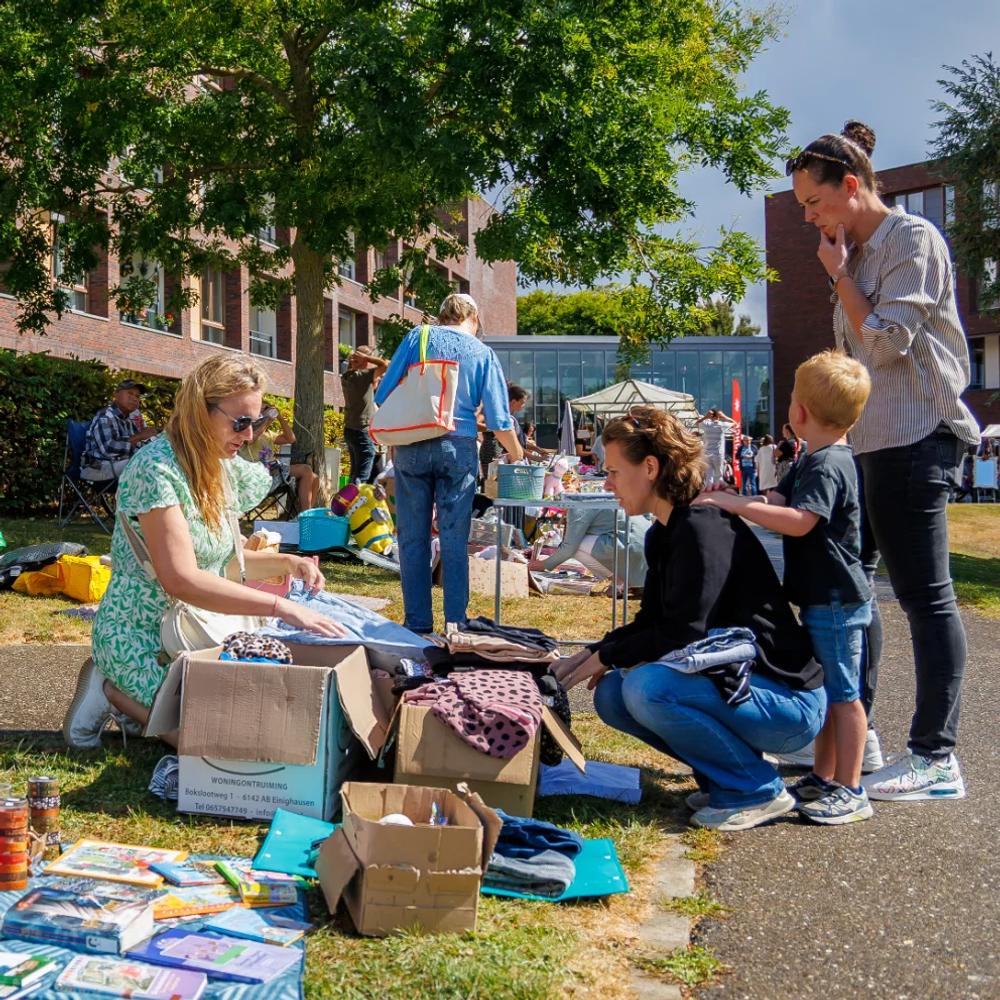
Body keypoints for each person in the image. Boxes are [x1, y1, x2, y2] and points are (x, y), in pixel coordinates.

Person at [787, 119, 979, 800]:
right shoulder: (856, 252)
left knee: (925, 597)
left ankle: (935, 757)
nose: (809, 218)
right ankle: (855, 738)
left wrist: (839, 276)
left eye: (814, 202)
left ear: (850, 185)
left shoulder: (911, 240)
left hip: (919, 435)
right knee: (851, 594)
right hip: (869, 443)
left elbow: (886, 343)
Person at [552, 407, 825, 832]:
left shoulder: (701, 526)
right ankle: (726, 778)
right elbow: (652, 620)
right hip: (745, 690)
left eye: (613, 472)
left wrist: (606, 655)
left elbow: (683, 630)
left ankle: (756, 789)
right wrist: (587, 656)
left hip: (788, 703)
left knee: (647, 688)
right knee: (612, 695)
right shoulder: (666, 531)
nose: (607, 484)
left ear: (650, 467)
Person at [62, 355, 347, 750]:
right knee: (214, 741)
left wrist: (288, 562)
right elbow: (180, 578)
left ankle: (139, 703)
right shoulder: (155, 469)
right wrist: (280, 607)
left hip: (195, 626)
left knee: (251, 728)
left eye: (255, 420)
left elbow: (220, 562)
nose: (249, 436)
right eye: (241, 422)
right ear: (200, 411)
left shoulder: (218, 466)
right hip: (141, 636)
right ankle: (110, 688)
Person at [696, 351, 875, 824]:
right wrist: (728, 496)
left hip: (835, 599)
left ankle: (852, 787)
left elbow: (798, 522)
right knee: (826, 684)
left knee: (842, 693)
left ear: (798, 413)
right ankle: (823, 775)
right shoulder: (811, 459)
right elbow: (774, 499)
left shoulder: (827, 464)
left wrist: (737, 506)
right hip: (823, 595)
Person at [374, 293, 523, 633]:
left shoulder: (418, 337)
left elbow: (383, 393)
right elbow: (500, 420)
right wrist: (517, 454)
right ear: (474, 317)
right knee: (455, 539)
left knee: (413, 538)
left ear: (441, 316)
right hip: (459, 447)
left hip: (412, 443)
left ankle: (417, 625)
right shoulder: (483, 353)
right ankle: (456, 625)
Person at [528, 506, 649, 588]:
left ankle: (618, 583)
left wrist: (541, 565)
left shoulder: (577, 507)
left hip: (631, 547)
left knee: (577, 545)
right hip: (644, 548)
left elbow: (569, 547)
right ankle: (620, 582)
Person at [241, 405, 319, 510]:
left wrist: (280, 417)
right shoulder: (245, 433)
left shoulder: (267, 435)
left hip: (276, 469)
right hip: (261, 473)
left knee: (315, 478)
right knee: (306, 469)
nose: (266, 411)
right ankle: (305, 516)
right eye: (263, 409)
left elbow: (291, 438)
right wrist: (268, 419)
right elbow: (251, 439)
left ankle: (307, 515)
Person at [81, 379, 159, 481]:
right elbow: (108, 448)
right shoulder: (105, 416)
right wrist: (139, 436)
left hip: (120, 464)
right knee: (146, 465)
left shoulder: (130, 419)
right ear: (116, 395)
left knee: (158, 461)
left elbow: (139, 446)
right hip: (98, 468)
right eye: (130, 393)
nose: (135, 399)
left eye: (137, 396)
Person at [341, 345, 389, 485]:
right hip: (362, 431)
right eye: (367, 358)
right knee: (361, 476)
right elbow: (384, 364)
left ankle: (346, 503)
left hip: (350, 430)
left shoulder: (347, 376)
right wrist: (367, 357)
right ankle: (353, 500)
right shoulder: (363, 376)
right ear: (363, 360)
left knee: (355, 472)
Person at [695, 408, 736, 487]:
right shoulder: (722, 425)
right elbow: (734, 423)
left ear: (711, 417)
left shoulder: (706, 424)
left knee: (709, 476)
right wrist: (724, 416)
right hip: (718, 454)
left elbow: (697, 423)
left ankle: (709, 491)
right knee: (718, 476)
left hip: (707, 454)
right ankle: (717, 495)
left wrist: (705, 417)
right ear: (718, 417)